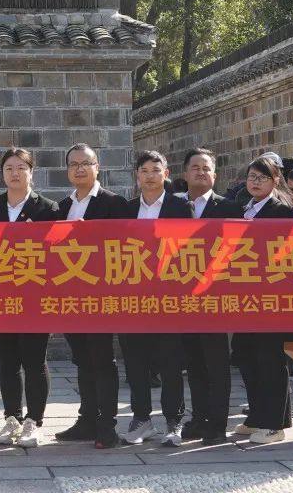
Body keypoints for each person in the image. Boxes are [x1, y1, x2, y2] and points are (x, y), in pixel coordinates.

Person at [0, 147, 58, 449]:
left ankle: (33, 421)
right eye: (9, 168)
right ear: (2, 174)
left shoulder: (47, 209)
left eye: (21, 168)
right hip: (2, 297)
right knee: (8, 360)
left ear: (31, 172)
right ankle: (11, 417)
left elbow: (57, 253)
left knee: (35, 360)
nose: (15, 173)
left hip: (36, 297)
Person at [53, 143, 126, 449]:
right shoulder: (61, 206)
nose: (79, 169)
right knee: (82, 360)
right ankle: (87, 420)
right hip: (72, 296)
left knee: (102, 360)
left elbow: (125, 246)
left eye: (86, 163)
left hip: (102, 295)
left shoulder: (114, 203)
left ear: (98, 167)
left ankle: (107, 425)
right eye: (73, 164)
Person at [119, 150, 192, 447]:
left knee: (170, 363)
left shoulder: (180, 206)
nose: (150, 175)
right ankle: (141, 419)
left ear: (166, 173)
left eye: (155, 169)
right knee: (136, 363)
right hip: (133, 299)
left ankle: (174, 421)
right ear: (137, 176)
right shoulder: (126, 209)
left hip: (168, 298)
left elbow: (189, 249)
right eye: (144, 170)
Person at [177, 148, 243, 446]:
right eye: (195, 167)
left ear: (214, 175)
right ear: (185, 173)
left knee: (217, 364)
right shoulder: (172, 207)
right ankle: (199, 417)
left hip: (216, 299)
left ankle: (217, 423)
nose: (200, 172)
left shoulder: (229, 207)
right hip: (182, 299)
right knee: (193, 364)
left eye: (206, 168)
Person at [232, 156, 293, 444]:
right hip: (244, 295)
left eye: (262, 177)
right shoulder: (243, 208)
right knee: (246, 354)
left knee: (269, 357)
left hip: (270, 295)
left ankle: (275, 422)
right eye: (252, 176)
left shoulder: (281, 210)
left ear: (275, 181)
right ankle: (258, 414)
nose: (255, 182)